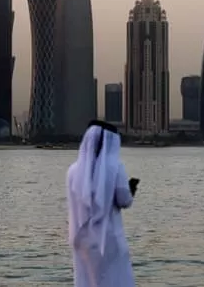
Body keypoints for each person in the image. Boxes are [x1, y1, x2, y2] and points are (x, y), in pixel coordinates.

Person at [67, 120, 139, 287]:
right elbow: (124, 200)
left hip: (81, 240)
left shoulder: (73, 170)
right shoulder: (115, 167)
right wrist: (132, 189)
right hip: (107, 239)